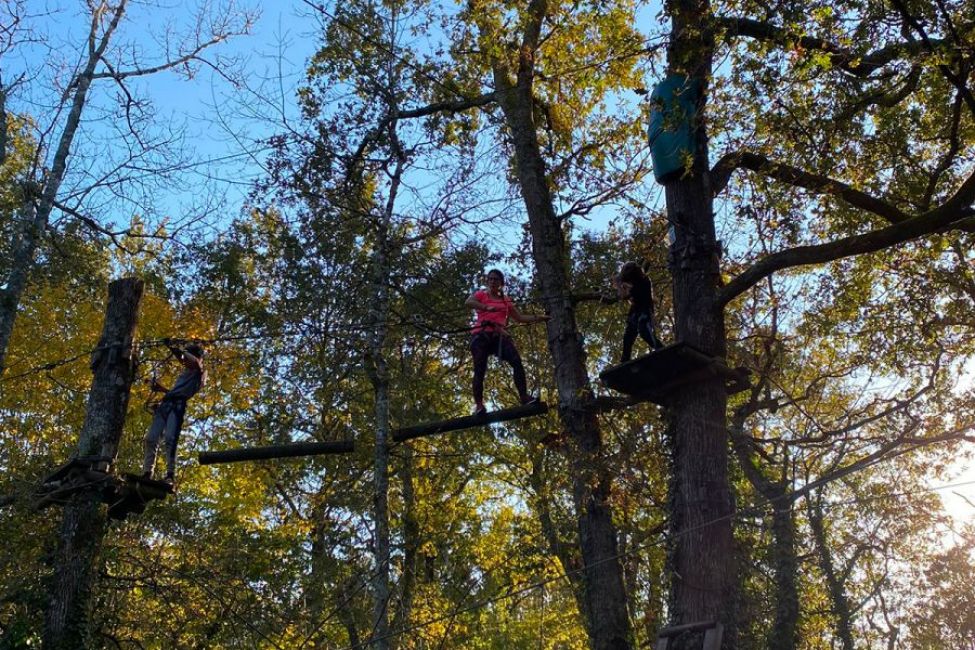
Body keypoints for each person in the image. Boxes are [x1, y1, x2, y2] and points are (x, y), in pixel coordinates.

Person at [465, 269, 549, 416]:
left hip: (499, 336)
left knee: (516, 361)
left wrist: (540, 318)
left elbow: (520, 318)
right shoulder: (481, 295)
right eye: (490, 279)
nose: (492, 282)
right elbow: (469, 302)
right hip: (481, 335)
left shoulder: (505, 301)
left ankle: (524, 396)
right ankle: (479, 405)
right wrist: (485, 307)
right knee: (480, 369)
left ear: (501, 283)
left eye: (496, 279)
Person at [141, 342, 206, 484]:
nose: (184, 361)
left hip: (177, 406)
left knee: (170, 438)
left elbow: (193, 362)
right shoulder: (186, 372)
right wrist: (161, 389)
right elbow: (176, 391)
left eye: (186, 358)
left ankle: (170, 475)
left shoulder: (198, 371)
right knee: (151, 438)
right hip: (166, 404)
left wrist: (176, 348)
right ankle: (147, 472)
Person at [617, 261, 664, 362]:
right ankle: (625, 359)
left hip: (645, 309)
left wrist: (625, 285)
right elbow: (624, 296)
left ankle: (661, 349)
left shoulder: (644, 279)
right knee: (628, 337)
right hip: (635, 311)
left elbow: (638, 291)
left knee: (644, 330)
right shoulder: (632, 282)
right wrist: (619, 285)